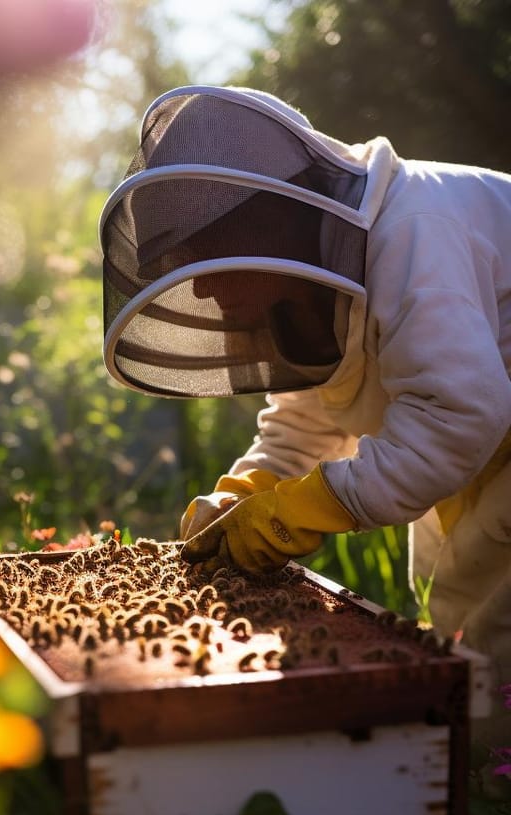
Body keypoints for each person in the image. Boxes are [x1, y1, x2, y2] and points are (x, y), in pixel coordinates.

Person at [99, 84, 511, 733]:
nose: (201, 288)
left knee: (497, 651)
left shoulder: (413, 239)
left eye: (208, 258)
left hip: (480, 428)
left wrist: (306, 507)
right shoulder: (304, 284)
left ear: (267, 222)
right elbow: (308, 416)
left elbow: (458, 416)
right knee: (454, 613)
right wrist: (249, 489)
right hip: (483, 439)